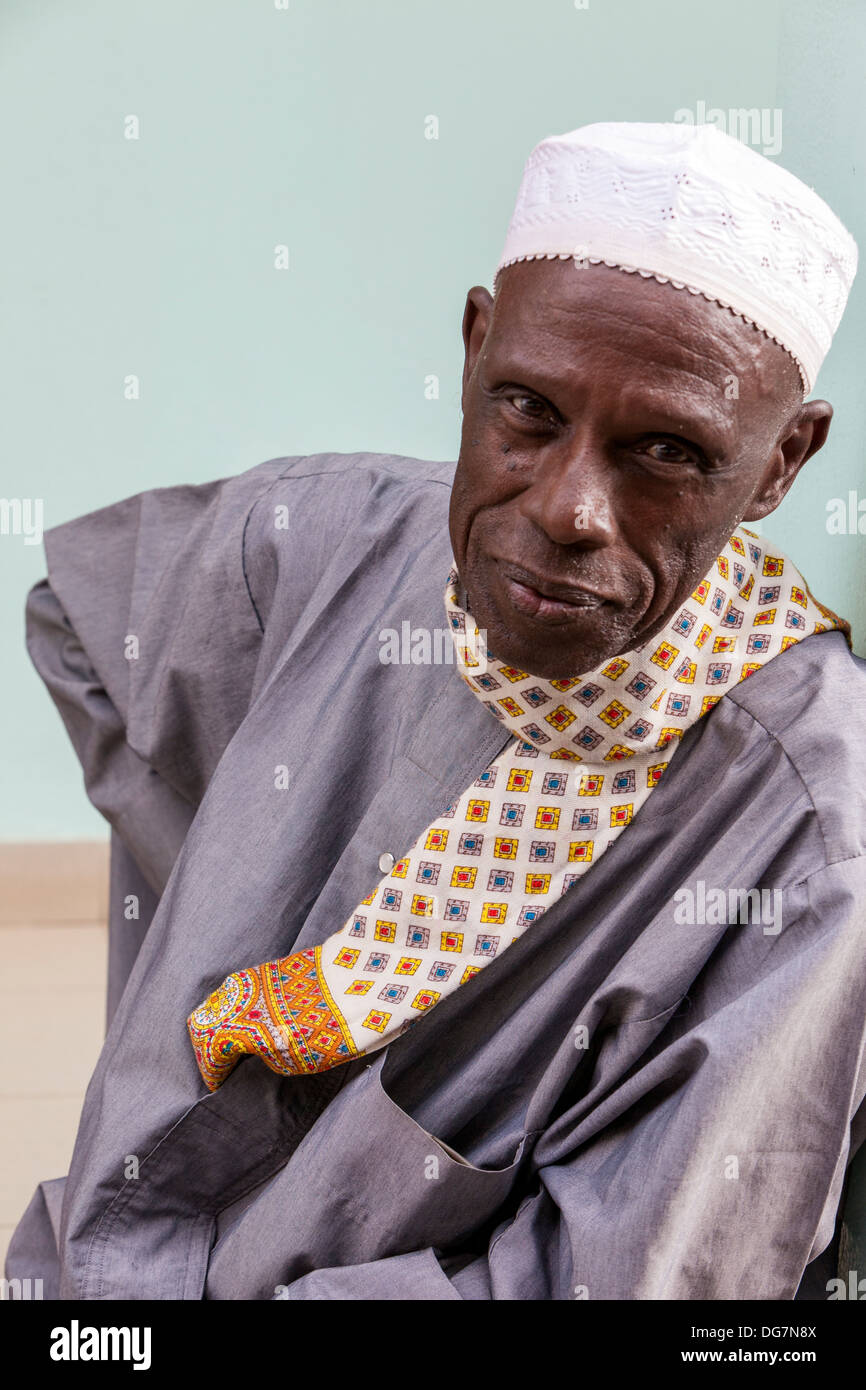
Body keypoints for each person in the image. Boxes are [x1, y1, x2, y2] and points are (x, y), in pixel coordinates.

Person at [7, 121, 866, 1300]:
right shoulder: (333, 537)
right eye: (524, 409)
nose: (566, 508)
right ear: (471, 352)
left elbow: (629, 1283)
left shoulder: (815, 839)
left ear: (780, 462)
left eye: (666, 450)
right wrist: (228, 890)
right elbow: (85, 623)